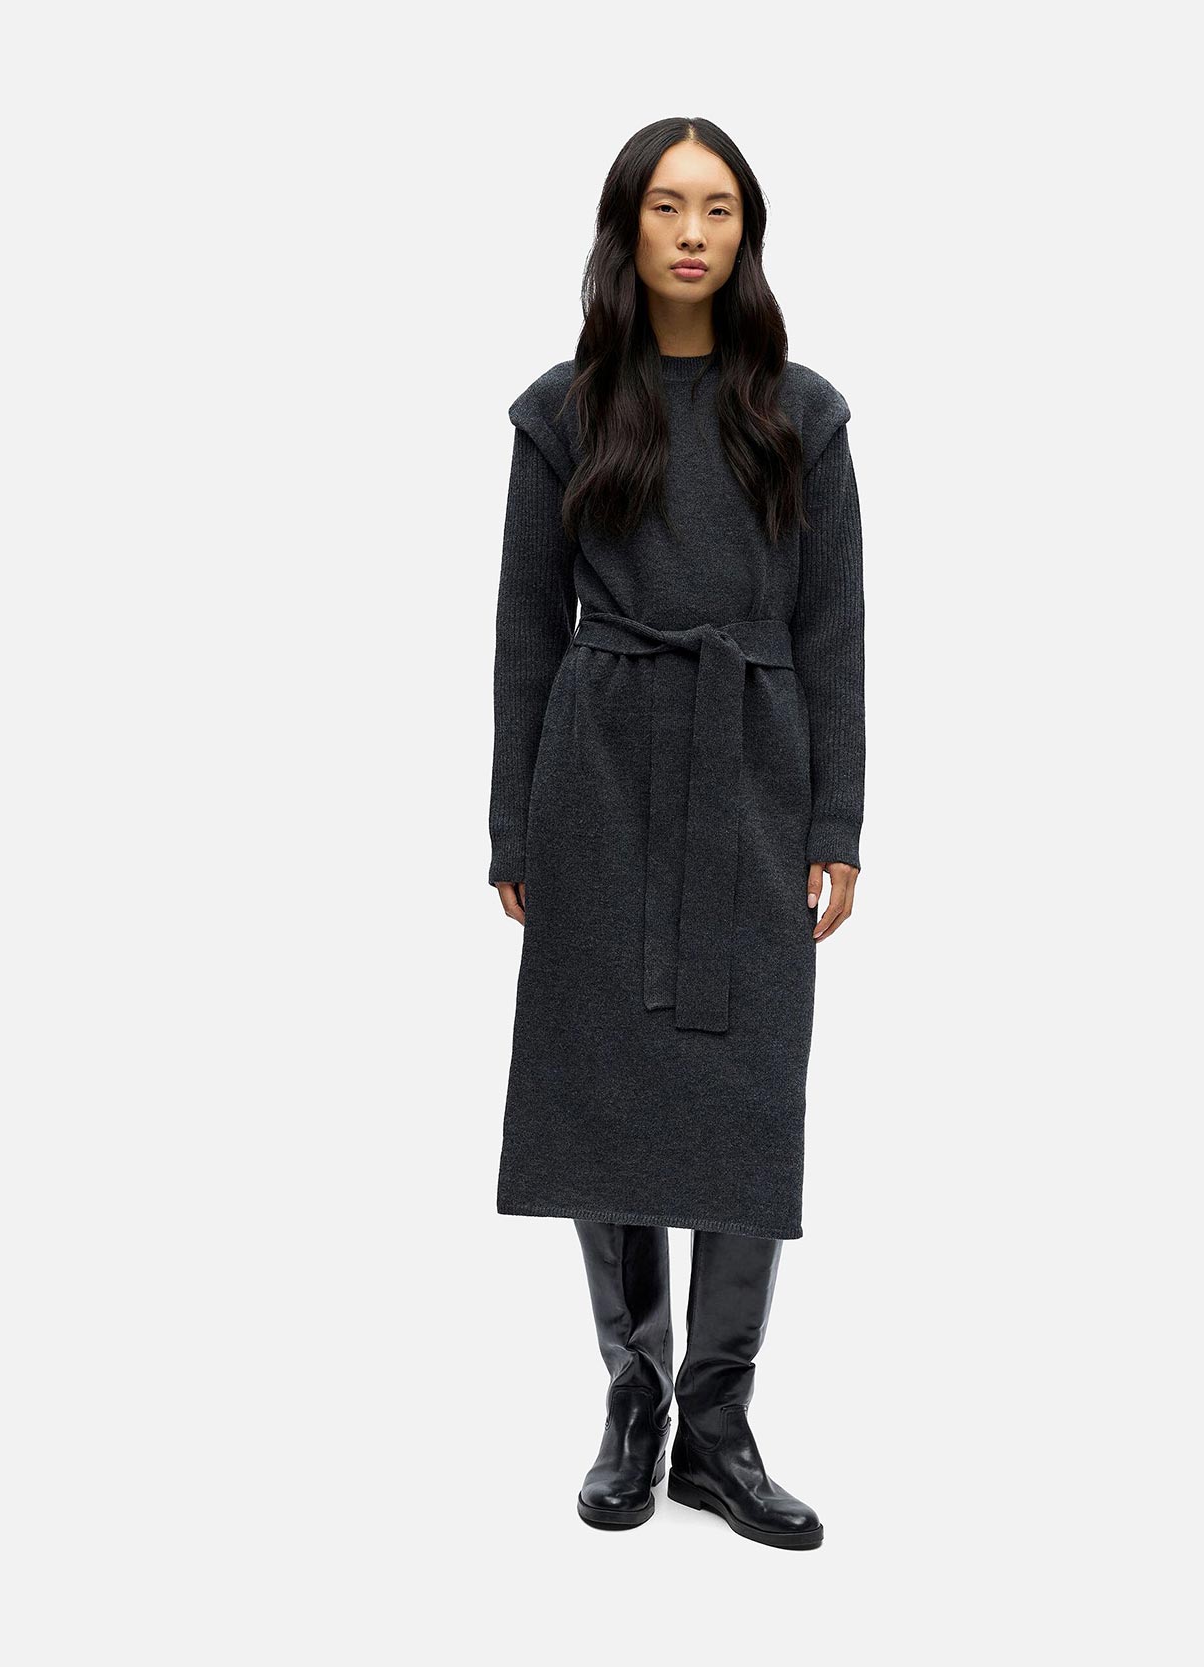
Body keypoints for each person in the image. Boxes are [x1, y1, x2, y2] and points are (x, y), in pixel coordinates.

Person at [486, 116, 864, 1552]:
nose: (692, 232)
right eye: (665, 205)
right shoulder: (564, 412)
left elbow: (835, 633)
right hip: (598, 779)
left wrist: (837, 819)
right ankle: (634, 1398)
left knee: (747, 1092)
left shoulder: (802, 416)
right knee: (608, 1091)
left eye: (717, 208)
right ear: (626, 227)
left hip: (754, 771)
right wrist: (514, 826)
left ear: (747, 231)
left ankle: (719, 1421)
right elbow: (525, 629)